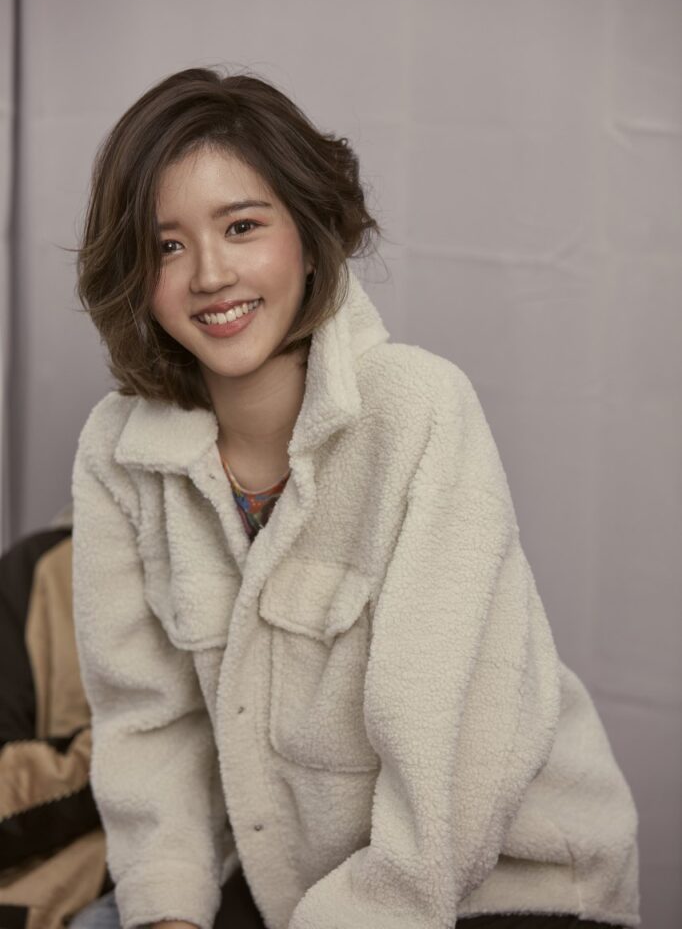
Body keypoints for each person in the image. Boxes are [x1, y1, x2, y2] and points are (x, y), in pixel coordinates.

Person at [69, 66, 640, 929]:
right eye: (168, 246)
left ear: (309, 235)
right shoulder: (117, 450)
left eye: (243, 226)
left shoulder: (420, 410)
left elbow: (451, 767)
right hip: (291, 881)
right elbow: (149, 728)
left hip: (504, 879)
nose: (211, 274)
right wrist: (169, 912)